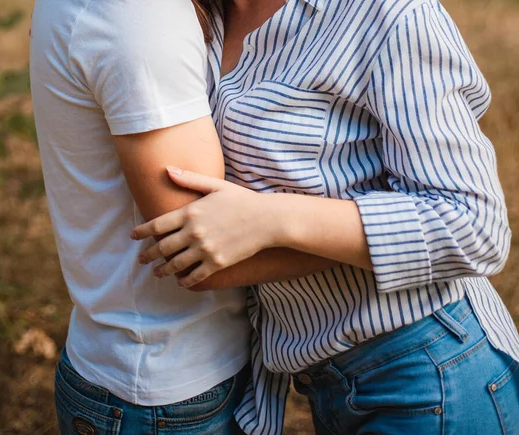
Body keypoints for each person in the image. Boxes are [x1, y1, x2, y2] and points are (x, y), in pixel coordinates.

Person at [132, 0, 519, 434]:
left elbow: (473, 224)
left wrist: (273, 219)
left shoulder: (387, 13)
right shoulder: (199, 19)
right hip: (325, 383)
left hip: (428, 370)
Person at [29, 0, 255, 433]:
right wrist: (380, 238)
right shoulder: (139, 15)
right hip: (166, 387)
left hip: (142, 364)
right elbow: (199, 250)